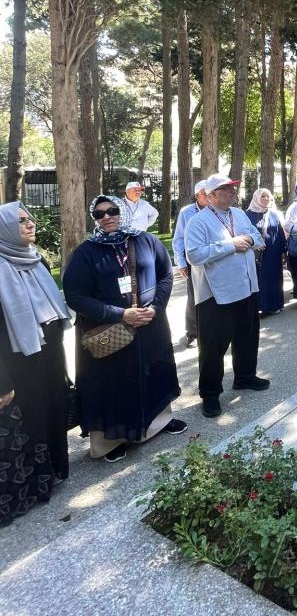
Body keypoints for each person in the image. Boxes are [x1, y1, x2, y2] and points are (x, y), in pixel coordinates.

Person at [63, 195, 185, 462]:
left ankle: (158, 423)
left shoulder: (146, 240)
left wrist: (156, 307)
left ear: (123, 211)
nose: (107, 217)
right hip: (110, 331)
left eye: (112, 210)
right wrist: (120, 314)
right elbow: (75, 296)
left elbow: (166, 275)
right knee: (113, 384)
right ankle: (110, 441)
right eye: (99, 214)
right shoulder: (86, 252)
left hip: (149, 325)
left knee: (153, 372)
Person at [0, 202, 71, 522]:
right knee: (31, 419)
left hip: (50, 353)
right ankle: (36, 484)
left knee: (54, 408)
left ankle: (55, 470)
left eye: (30, 219)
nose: (30, 224)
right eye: (21, 221)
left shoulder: (35, 259)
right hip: (18, 364)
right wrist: (2, 382)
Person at [185, 174, 268, 418]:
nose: (233, 191)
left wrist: (248, 239)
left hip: (246, 287)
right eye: (226, 188)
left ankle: (245, 376)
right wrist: (231, 245)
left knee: (247, 337)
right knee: (213, 347)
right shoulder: (198, 221)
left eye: (233, 188)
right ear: (211, 195)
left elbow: (258, 238)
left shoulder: (239, 214)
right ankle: (210, 394)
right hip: (217, 294)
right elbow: (194, 255)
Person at [172, 179, 208, 346]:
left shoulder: (216, 209)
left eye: (210, 193)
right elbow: (179, 238)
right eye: (204, 194)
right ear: (197, 195)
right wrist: (181, 262)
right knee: (194, 295)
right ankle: (193, 332)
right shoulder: (187, 212)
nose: (208, 196)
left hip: (214, 257)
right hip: (193, 259)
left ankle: (213, 328)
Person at [245, 188, 287, 316]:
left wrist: (283, 251)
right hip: (257, 254)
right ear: (256, 198)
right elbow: (244, 232)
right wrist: (254, 244)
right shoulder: (248, 215)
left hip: (274, 254)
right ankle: (261, 306)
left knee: (275, 279)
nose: (266, 199)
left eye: (268, 196)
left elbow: (280, 233)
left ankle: (275, 305)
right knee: (260, 279)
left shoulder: (273, 214)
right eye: (263, 196)